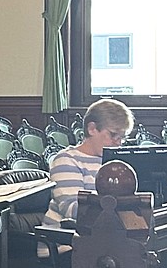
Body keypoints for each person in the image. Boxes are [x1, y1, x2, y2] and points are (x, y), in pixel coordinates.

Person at [40, 99, 134, 257]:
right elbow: (72, 209)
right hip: (66, 246)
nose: (118, 143)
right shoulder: (67, 160)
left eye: (122, 138)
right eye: (113, 135)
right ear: (92, 128)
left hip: (107, 240)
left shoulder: (118, 163)